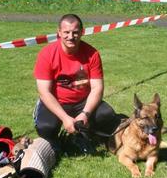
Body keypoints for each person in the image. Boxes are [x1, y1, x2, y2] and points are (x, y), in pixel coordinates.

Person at [34, 14, 120, 152]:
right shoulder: (46, 54)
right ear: (59, 32)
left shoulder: (92, 54)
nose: (71, 36)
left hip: (82, 101)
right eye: (66, 32)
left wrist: (85, 113)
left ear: (82, 32)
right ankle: (56, 139)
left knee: (107, 115)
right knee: (46, 128)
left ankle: (85, 135)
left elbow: (97, 88)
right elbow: (44, 92)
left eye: (75, 32)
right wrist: (64, 118)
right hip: (58, 101)